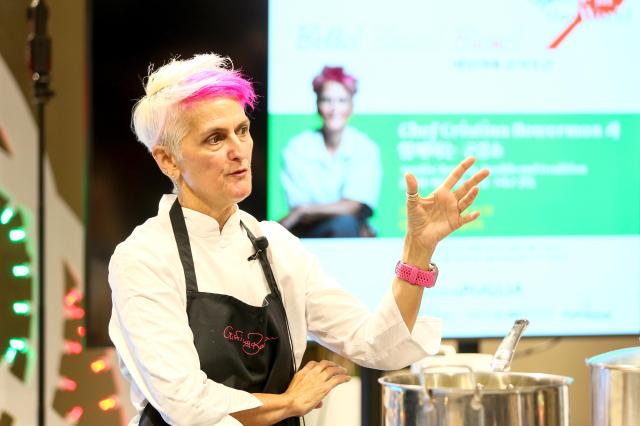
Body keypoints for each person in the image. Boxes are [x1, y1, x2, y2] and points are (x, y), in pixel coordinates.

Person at [108, 53, 489, 426]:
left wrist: (418, 251)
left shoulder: (277, 245)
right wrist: (289, 402)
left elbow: (376, 344)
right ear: (168, 160)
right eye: (214, 139)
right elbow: (186, 406)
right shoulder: (144, 257)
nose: (238, 150)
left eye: (242, 130)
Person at [279, 66, 381, 238]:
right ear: (317, 104)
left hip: (349, 230)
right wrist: (304, 212)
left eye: (342, 100)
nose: (334, 108)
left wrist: (306, 210)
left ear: (351, 105)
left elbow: (355, 205)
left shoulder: (365, 147)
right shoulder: (297, 147)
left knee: (346, 224)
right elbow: (298, 210)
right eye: (327, 100)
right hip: (308, 233)